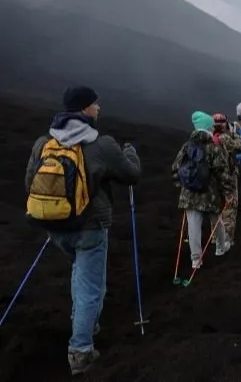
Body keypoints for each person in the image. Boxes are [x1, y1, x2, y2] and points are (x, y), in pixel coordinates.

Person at [24, 85, 141, 376]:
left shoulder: (44, 142)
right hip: (90, 228)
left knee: (80, 275)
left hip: (55, 227)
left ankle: (83, 321)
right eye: (95, 104)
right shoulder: (101, 144)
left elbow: (30, 182)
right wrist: (131, 153)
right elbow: (131, 175)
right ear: (85, 109)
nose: (99, 108)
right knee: (91, 287)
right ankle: (81, 351)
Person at [171, 111, 235, 269]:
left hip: (189, 194)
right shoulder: (214, 147)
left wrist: (182, 186)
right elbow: (223, 172)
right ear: (208, 128)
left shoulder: (187, 146)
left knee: (193, 226)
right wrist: (229, 192)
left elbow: (175, 168)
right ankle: (220, 248)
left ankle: (196, 259)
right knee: (216, 221)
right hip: (210, 194)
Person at [212, 113, 241, 244]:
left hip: (213, 178)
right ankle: (227, 239)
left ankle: (215, 238)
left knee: (216, 207)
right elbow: (240, 146)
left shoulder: (209, 137)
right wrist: (235, 133)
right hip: (228, 177)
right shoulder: (225, 138)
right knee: (230, 207)